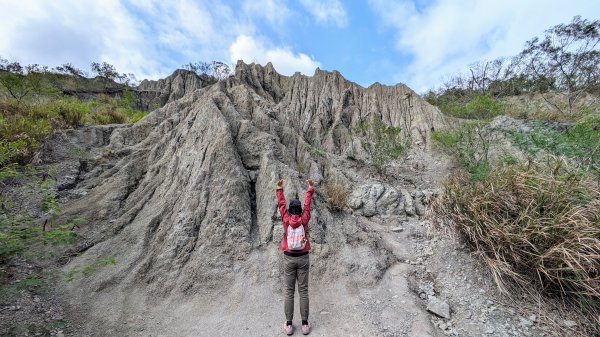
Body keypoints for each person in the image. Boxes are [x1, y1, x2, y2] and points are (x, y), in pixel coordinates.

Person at [276, 178, 314, 335]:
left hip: (289, 257)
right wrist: (309, 189)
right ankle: (305, 325)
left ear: (290, 210)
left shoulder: (286, 218)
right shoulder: (304, 219)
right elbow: (307, 205)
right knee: (303, 291)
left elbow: (281, 204)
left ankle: (289, 325)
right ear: (299, 210)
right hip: (303, 257)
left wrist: (279, 189)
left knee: (289, 291)